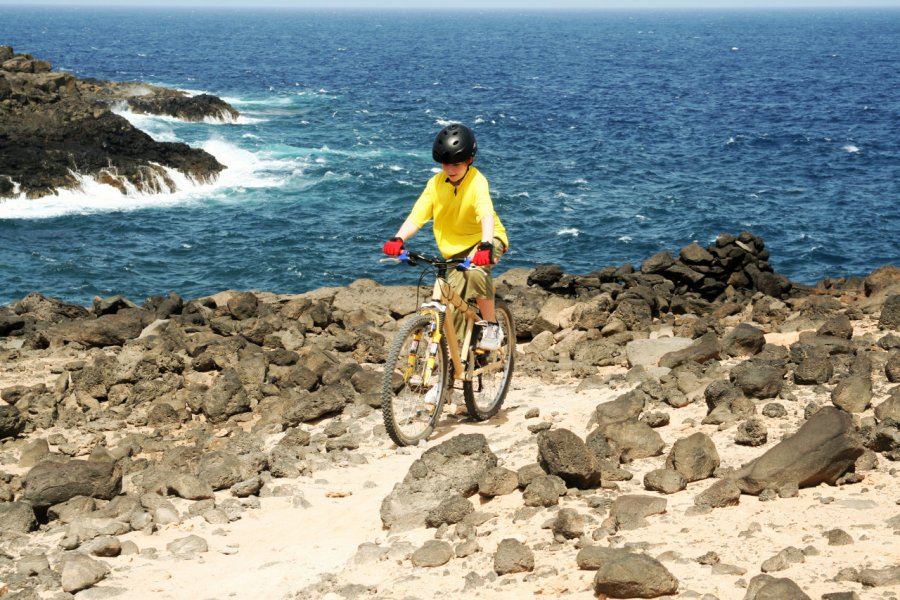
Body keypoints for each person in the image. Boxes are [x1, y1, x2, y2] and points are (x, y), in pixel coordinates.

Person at [383, 123, 508, 351]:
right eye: (446, 164)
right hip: (454, 250)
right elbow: (417, 217)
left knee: (475, 273)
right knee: (451, 309)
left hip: (486, 239)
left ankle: (492, 326)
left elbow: (486, 214)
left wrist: (486, 245)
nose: (450, 169)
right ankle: (453, 367)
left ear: (469, 160)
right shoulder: (435, 184)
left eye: (457, 164)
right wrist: (398, 239)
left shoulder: (477, 182)